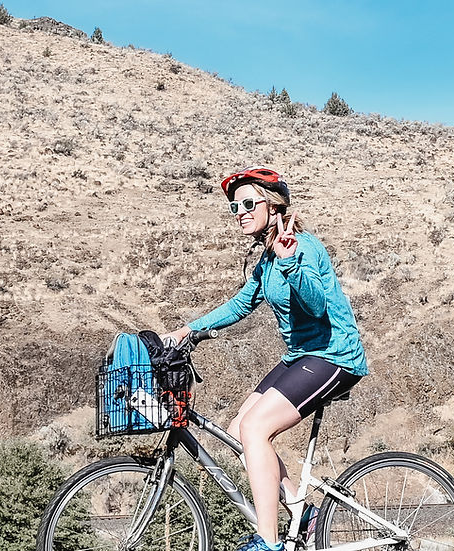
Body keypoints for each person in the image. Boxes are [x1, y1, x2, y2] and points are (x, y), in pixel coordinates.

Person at [162, 166, 369, 551]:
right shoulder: (266, 260)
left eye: (247, 203)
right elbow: (243, 303)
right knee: (241, 427)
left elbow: (317, 304)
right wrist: (188, 330)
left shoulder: (301, 246)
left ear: (273, 207)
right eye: (233, 206)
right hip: (301, 356)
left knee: (257, 429)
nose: (238, 210)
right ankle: (299, 511)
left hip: (334, 355)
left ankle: (269, 541)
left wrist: (290, 261)